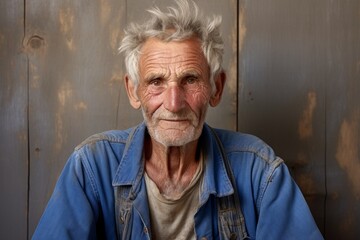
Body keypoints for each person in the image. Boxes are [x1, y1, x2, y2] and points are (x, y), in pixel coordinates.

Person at [33, 0, 323, 239]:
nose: (173, 104)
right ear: (134, 92)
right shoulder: (91, 168)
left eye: (190, 79)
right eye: (156, 81)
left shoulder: (260, 172)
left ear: (216, 88)